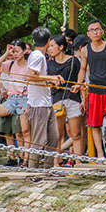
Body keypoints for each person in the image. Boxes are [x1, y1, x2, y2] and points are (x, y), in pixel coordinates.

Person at [73, 19, 106, 160]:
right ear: (88, 34)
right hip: (94, 89)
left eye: (97, 29)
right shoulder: (85, 50)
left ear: (102, 31)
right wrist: (78, 84)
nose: (95, 32)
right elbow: (82, 69)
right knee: (94, 123)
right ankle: (100, 154)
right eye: (92, 30)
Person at [0, 41, 30, 163]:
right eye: (13, 52)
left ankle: (25, 158)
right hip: (10, 99)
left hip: (24, 99)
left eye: (17, 51)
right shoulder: (9, 64)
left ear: (24, 51)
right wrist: (7, 52)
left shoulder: (29, 65)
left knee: (24, 131)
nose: (14, 54)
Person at [26, 27, 63, 169]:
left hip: (46, 102)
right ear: (48, 41)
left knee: (53, 137)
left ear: (33, 41)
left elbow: (37, 77)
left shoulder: (39, 56)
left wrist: (50, 81)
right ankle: (33, 171)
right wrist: (51, 78)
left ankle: (48, 168)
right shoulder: (37, 56)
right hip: (38, 104)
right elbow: (30, 77)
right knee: (39, 140)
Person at [47, 34, 83, 160]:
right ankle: (56, 162)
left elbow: (81, 80)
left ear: (61, 47)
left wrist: (84, 99)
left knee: (76, 133)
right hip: (56, 99)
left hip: (73, 98)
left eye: (52, 46)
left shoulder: (74, 61)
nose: (50, 49)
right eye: (49, 46)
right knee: (57, 134)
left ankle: (78, 162)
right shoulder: (49, 64)